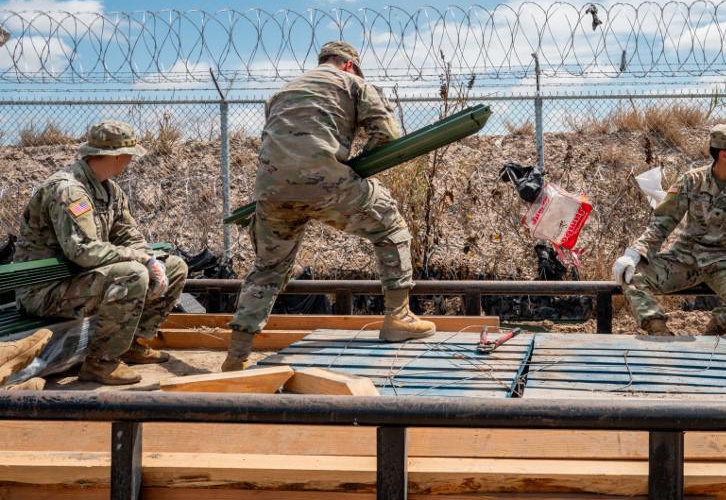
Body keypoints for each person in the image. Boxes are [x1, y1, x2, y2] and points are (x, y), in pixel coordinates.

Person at [222, 41, 434, 372]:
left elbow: (284, 143)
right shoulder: (354, 84)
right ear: (349, 65)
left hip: (271, 191)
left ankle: (236, 354)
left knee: (268, 268)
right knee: (390, 226)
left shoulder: (282, 93)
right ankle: (399, 317)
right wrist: (361, 163)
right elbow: (388, 134)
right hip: (327, 184)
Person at [14, 121, 188, 385]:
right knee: (131, 274)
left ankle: (133, 343)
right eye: (129, 156)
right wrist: (140, 259)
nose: (130, 161)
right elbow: (82, 250)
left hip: (77, 279)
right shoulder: (69, 190)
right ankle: (100, 363)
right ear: (116, 156)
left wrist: (152, 259)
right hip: (44, 290)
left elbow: (127, 233)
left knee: (174, 267)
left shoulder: (109, 189)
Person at [612, 123, 726, 336]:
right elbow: (663, 222)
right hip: (686, 257)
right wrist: (635, 253)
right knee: (631, 275)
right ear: (724, 155)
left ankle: (712, 335)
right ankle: (658, 331)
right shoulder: (691, 180)